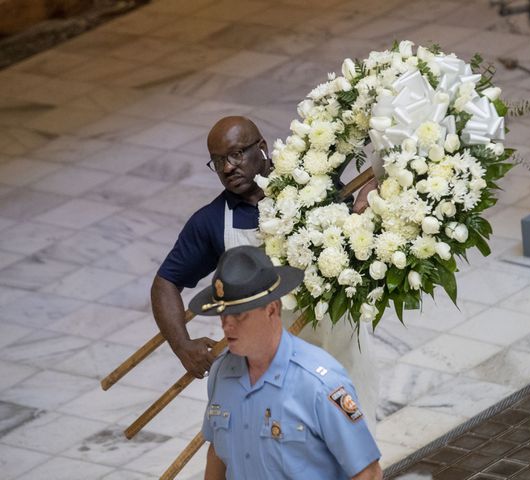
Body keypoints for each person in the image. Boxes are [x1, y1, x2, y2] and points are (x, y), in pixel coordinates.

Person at [151, 116, 379, 429]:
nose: (228, 167)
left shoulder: (309, 181)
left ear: (262, 148)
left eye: (236, 154)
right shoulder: (212, 222)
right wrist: (181, 345)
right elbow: (165, 282)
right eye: (218, 161)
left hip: (342, 346)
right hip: (276, 366)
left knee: (357, 452)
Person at [191, 246, 382, 480]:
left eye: (239, 315)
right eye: (223, 315)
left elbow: (368, 472)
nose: (227, 326)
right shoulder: (221, 373)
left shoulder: (320, 384)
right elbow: (217, 456)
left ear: (272, 309)